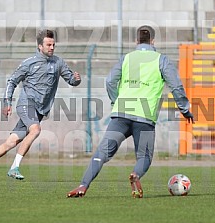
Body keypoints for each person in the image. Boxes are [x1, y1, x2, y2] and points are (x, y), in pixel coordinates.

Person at [67, 25, 194, 198]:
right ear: (153, 41)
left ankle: (83, 185)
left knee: (102, 153)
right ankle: (136, 174)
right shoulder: (161, 60)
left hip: (121, 114)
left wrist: (116, 101)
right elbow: (176, 86)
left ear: (136, 41)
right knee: (144, 157)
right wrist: (185, 110)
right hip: (144, 117)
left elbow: (110, 81)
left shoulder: (126, 58)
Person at [0, 29, 81, 181]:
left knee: (11, 142)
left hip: (40, 110)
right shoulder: (29, 63)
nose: (52, 47)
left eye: (53, 44)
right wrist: (7, 102)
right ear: (40, 46)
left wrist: (76, 79)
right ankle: (14, 167)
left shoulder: (58, 62)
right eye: (48, 44)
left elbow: (71, 80)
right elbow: (12, 81)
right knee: (35, 130)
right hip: (26, 104)